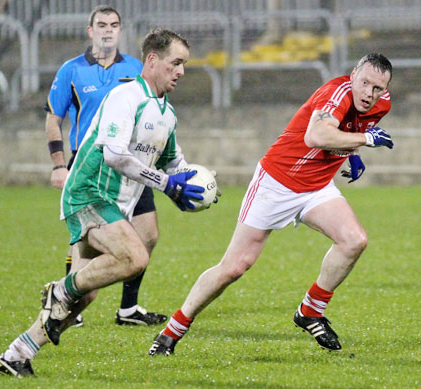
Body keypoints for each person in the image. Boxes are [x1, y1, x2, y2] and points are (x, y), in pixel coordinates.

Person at [149, 53, 394, 356]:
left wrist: (352, 152)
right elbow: (317, 134)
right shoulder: (338, 91)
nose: (369, 94)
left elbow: (349, 126)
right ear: (353, 74)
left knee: (354, 241)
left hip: (316, 187)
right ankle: (172, 331)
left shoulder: (381, 104)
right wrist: (365, 141)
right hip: (276, 182)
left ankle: (310, 311)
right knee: (235, 267)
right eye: (365, 83)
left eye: (378, 89)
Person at [0, 28, 204, 377]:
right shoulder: (126, 96)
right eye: (176, 63)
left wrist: (196, 182)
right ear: (152, 61)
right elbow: (115, 156)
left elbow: (173, 161)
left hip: (113, 204)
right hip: (89, 193)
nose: (181, 71)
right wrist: (167, 185)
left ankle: (17, 354)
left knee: (84, 297)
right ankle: (59, 289)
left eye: (184, 64)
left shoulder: (167, 114)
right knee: (134, 257)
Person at [45, 5, 166, 327]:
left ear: (120, 30)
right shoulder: (71, 70)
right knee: (84, 241)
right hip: (90, 165)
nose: (108, 30)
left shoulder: (136, 67)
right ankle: (72, 302)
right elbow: (53, 119)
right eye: (101, 24)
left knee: (149, 235)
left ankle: (128, 309)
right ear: (90, 30)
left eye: (114, 24)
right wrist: (59, 165)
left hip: (130, 165)